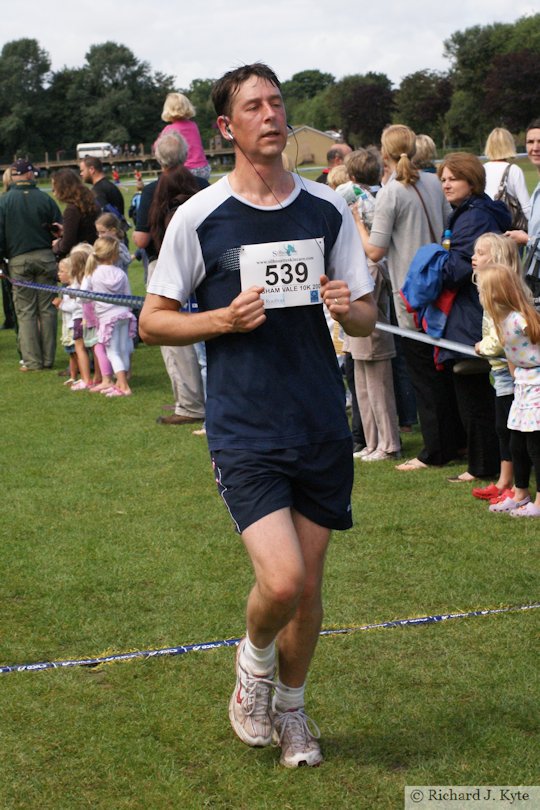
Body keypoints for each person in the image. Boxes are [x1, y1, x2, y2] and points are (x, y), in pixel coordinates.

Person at [139, 62, 376, 768]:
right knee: (282, 581)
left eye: (278, 103)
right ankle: (252, 669)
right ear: (226, 126)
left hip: (319, 422)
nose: (272, 115)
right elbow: (154, 321)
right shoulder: (200, 216)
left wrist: (347, 306)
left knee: (310, 591)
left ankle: (294, 714)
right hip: (245, 428)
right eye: (255, 106)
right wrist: (220, 318)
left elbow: (365, 319)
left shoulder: (325, 209)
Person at [355, 124, 462, 472]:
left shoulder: (390, 192)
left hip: (412, 293)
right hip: (442, 284)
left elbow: (374, 251)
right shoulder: (434, 181)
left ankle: (434, 450)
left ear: (383, 154)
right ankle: (455, 440)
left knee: (423, 373)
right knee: (446, 368)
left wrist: (356, 222)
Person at [437, 152, 511, 483]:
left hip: (473, 310)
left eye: (453, 178)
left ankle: (483, 465)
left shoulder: (473, 217)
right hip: (473, 308)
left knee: (472, 384)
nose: (446, 184)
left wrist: (438, 260)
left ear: (472, 180)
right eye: (443, 179)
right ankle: (487, 460)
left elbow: (458, 268)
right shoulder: (469, 212)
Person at [134, 131, 207, 425]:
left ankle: (189, 405)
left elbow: (140, 240)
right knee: (203, 331)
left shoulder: (154, 190)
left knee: (173, 338)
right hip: (203, 265)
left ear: (158, 158)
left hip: (165, 266)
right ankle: (205, 400)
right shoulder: (202, 185)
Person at [475, 264, 540, 517]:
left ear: (495, 294)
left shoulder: (520, 319)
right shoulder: (500, 322)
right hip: (523, 386)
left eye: (482, 290)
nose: (480, 295)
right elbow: (508, 352)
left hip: (536, 386)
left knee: (535, 444)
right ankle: (520, 493)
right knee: (517, 443)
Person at [472, 233, 521, 503]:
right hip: (500, 373)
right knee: (503, 427)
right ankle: (505, 481)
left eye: (481, 253)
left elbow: (504, 338)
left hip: (509, 373)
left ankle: (513, 484)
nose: (474, 257)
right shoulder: (487, 291)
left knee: (510, 428)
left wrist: (482, 347)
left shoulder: (501, 296)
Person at [0, 159, 62, 371]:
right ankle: (47, 359)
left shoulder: (4, 201)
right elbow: (58, 230)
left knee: (25, 311)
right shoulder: (45, 198)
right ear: (27, 175)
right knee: (47, 310)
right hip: (45, 257)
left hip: (18, 260)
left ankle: (32, 361)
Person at [84, 236, 137, 397]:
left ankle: (123, 386)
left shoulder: (92, 274)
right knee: (122, 350)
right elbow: (128, 296)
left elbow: (83, 297)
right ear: (115, 254)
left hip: (107, 318)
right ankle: (120, 382)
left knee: (112, 352)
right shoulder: (120, 273)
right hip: (124, 315)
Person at [506, 118, 540, 305]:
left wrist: (527, 240)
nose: (535, 147)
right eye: (530, 142)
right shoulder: (536, 188)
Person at [154, 92, 211, 181]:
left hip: (185, 170)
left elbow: (158, 148)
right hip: (203, 168)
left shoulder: (169, 129)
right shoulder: (193, 126)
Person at [483, 127, 530, 224]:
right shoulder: (514, 170)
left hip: (487, 225)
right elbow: (526, 207)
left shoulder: (482, 169)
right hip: (509, 230)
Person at [51, 169, 99, 259]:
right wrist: (66, 230)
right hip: (93, 252)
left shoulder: (72, 210)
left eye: (55, 187)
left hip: (81, 257)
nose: (53, 191)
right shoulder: (90, 202)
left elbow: (67, 244)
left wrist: (57, 246)